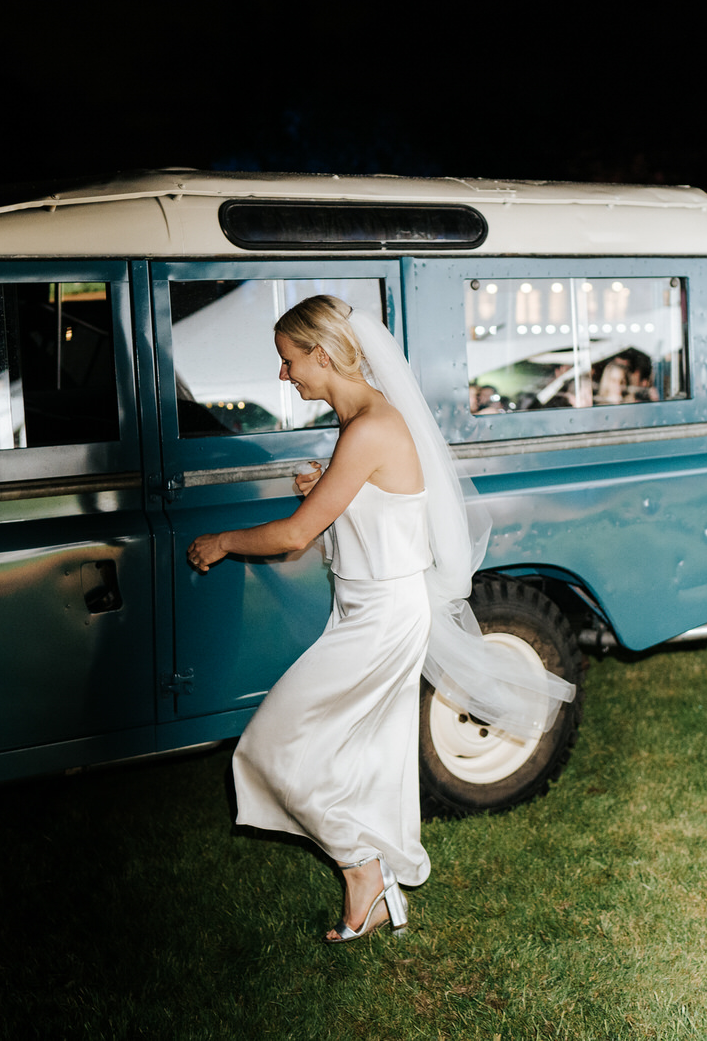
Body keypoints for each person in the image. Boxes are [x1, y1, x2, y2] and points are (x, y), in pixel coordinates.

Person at [188, 296, 573, 943]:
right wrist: (328, 489)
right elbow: (374, 512)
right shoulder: (360, 427)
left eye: (289, 362)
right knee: (358, 753)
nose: (285, 376)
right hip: (365, 609)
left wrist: (223, 541)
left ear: (322, 353)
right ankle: (368, 881)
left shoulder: (369, 426)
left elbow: (293, 537)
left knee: (271, 746)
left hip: (385, 617)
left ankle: (362, 866)